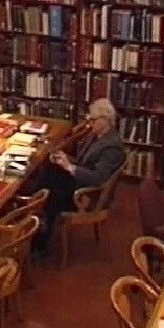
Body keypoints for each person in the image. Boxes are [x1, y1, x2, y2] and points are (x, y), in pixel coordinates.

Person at [28, 98, 125, 256]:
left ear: (105, 120)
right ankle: (34, 212)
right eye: (89, 119)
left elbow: (98, 178)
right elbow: (82, 161)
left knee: (50, 196)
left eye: (93, 120)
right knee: (47, 171)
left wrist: (69, 166)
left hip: (88, 194)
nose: (89, 123)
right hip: (79, 180)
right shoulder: (96, 134)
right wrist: (64, 159)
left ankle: (40, 242)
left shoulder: (112, 147)